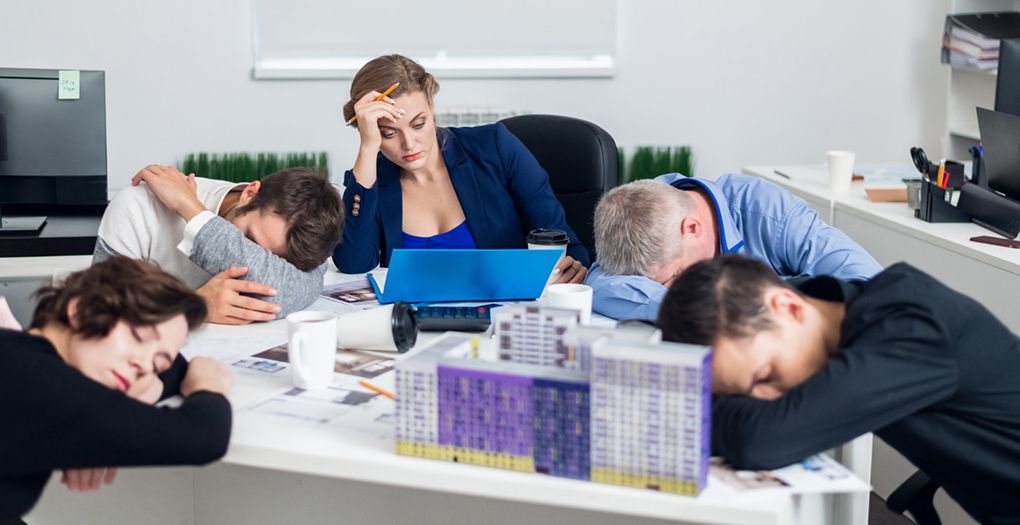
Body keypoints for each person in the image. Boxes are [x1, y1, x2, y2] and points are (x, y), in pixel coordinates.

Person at [656, 255, 1020, 524]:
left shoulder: (911, 328)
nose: (765, 400)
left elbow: (763, 439)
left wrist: (690, 406)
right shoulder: (813, 312)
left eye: (766, 376)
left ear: (787, 307)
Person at [0, 257, 234, 522]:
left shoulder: (21, 356)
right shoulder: (38, 382)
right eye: (139, 337)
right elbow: (203, 437)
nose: (144, 365)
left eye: (157, 363)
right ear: (80, 311)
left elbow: (175, 369)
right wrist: (209, 386)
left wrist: (104, 425)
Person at [333, 54, 589, 282]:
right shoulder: (373, 181)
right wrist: (367, 148)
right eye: (388, 133)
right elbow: (353, 263)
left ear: (432, 108)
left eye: (419, 124)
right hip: (413, 325)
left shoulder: (495, 147)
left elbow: (566, 244)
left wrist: (572, 268)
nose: (409, 144)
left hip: (501, 315)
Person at [586, 174, 882, 320]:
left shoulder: (769, 213)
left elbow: (871, 285)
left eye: (674, 280)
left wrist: (756, 299)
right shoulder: (637, 212)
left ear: (692, 229)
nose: (674, 289)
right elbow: (599, 286)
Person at [94, 164, 344, 324]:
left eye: (274, 262)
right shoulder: (138, 205)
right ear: (249, 193)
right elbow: (98, 313)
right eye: (249, 239)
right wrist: (191, 307)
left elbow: (301, 286)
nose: (251, 261)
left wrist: (189, 208)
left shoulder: (308, 233)